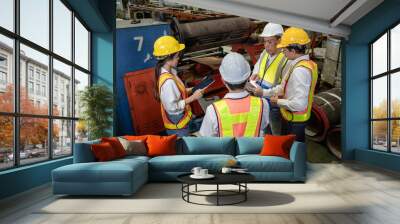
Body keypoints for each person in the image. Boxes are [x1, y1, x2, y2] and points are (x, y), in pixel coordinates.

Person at [248, 27, 318, 142]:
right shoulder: (302, 63)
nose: (283, 52)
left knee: (293, 148)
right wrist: (264, 92)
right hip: (291, 116)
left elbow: (300, 104)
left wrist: (278, 102)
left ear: (293, 51)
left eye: (284, 50)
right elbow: (282, 87)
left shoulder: (299, 71)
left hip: (295, 120)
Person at [199, 52, 269, 137]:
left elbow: (206, 138)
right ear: (247, 77)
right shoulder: (262, 104)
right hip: (255, 150)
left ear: (223, 80)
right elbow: (263, 126)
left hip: (227, 150)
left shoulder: (213, 110)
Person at [153, 35, 204, 137]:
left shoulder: (171, 72)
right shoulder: (168, 82)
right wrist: (194, 97)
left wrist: (192, 90)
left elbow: (177, 92)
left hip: (183, 121)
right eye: (176, 57)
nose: (178, 59)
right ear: (168, 58)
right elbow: (173, 107)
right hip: (178, 128)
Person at [248, 23, 289, 135]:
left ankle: (278, 151)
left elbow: (283, 88)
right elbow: (258, 66)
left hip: (274, 105)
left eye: (270, 42)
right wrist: (255, 73)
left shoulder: (286, 59)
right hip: (262, 100)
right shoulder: (265, 53)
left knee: (277, 133)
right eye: (265, 41)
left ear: (279, 41)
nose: (266, 45)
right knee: (265, 129)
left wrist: (264, 92)